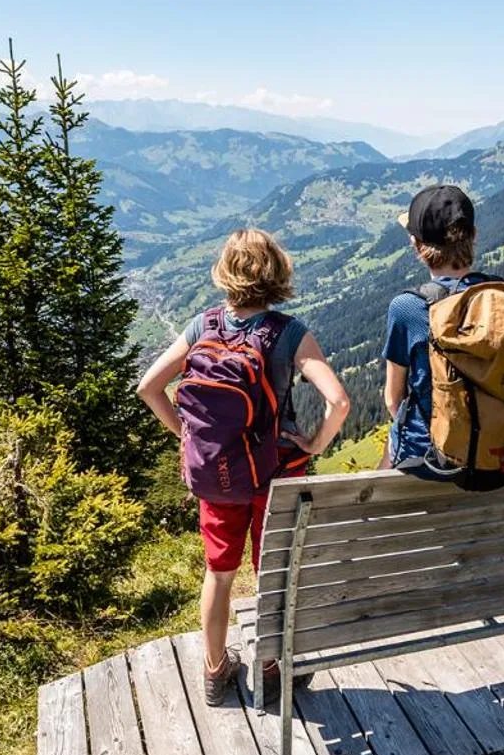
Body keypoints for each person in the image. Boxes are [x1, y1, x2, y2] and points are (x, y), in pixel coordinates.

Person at [136, 228, 349, 704]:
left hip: (218, 478)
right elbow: (338, 401)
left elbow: (149, 388)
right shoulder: (289, 333)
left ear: (225, 273)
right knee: (271, 574)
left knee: (219, 573)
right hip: (275, 475)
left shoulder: (201, 326)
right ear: (276, 272)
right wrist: (314, 445)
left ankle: (215, 672)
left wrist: (189, 437)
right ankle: (273, 670)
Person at [382, 184, 488, 472]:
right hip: (494, 451)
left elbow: (394, 399)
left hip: (428, 459)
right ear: (473, 237)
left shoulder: (407, 307)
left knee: (386, 452)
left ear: (416, 245)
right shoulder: (502, 296)